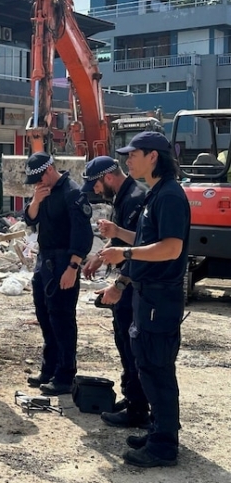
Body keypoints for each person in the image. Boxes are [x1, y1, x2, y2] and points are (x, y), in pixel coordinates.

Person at [98, 131, 190, 468]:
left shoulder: (168, 196)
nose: (127, 160)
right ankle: (158, 430)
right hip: (147, 297)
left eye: (133, 154)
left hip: (160, 300)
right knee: (149, 366)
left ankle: (164, 446)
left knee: (157, 369)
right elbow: (148, 238)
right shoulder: (156, 194)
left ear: (153, 156)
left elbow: (171, 247)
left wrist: (125, 251)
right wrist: (120, 235)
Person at [81, 156, 150, 428]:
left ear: (107, 178)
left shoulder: (134, 198)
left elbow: (140, 251)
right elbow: (120, 239)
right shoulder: (123, 197)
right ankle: (134, 397)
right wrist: (100, 256)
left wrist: (120, 284)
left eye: (96, 185)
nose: (96, 191)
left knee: (132, 347)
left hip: (133, 287)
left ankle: (137, 409)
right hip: (127, 284)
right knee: (124, 343)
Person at [23, 152, 92, 396]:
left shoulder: (72, 192)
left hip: (64, 260)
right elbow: (30, 220)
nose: (38, 185)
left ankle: (64, 374)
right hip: (45, 260)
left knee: (62, 319)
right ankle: (49, 368)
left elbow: (82, 234)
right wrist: (36, 201)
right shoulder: (43, 193)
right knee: (45, 316)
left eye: (39, 179)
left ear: (49, 170)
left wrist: (73, 267)